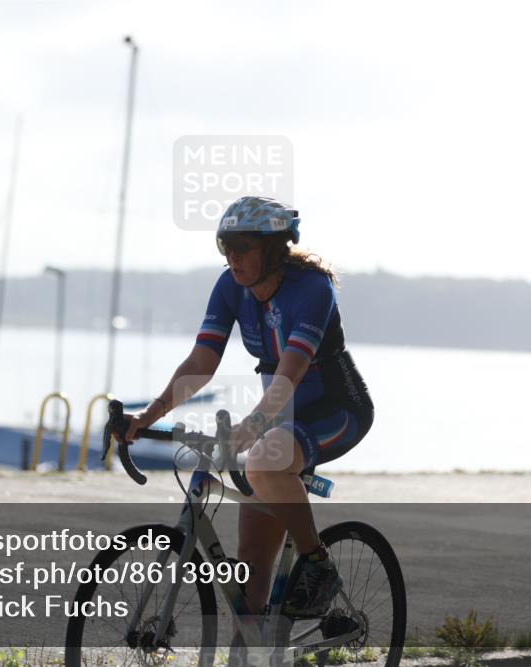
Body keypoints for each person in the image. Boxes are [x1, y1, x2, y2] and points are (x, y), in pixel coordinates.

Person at [122, 195, 374, 618]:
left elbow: (291, 371)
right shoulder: (230, 288)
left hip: (339, 411)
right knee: (249, 593)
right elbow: (201, 363)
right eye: (226, 247)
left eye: (243, 248)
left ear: (274, 249)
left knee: (264, 460)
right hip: (279, 423)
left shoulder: (312, 288)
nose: (233, 258)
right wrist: (147, 417)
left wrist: (253, 425)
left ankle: (318, 564)